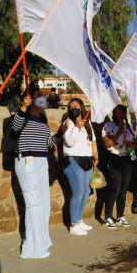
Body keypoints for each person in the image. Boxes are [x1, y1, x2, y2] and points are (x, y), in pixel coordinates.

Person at [13, 90, 68, 259]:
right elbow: (14, 130)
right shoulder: (22, 116)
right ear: (28, 99)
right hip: (27, 160)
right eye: (38, 94)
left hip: (41, 161)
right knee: (34, 204)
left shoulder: (42, 119)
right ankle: (32, 249)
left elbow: (47, 143)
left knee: (43, 204)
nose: (42, 96)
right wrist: (23, 106)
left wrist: (60, 132)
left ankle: (41, 241)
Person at [62, 98, 97, 235]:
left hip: (85, 159)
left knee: (86, 191)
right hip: (72, 159)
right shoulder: (68, 122)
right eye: (70, 107)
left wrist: (94, 156)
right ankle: (73, 225)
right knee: (78, 193)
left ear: (81, 107)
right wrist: (76, 127)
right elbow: (69, 142)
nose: (72, 109)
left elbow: (91, 141)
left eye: (75, 106)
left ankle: (78, 220)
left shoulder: (87, 123)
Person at [102, 105, 135, 229]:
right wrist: (119, 132)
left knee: (123, 189)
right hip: (113, 158)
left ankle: (120, 215)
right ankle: (107, 217)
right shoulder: (108, 126)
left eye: (120, 113)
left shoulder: (129, 128)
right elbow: (107, 143)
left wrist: (132, 144)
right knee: (114, 187)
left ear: (124, 114)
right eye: (115, 112)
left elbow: (135, 143)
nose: (118, 115)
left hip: (126, 159)